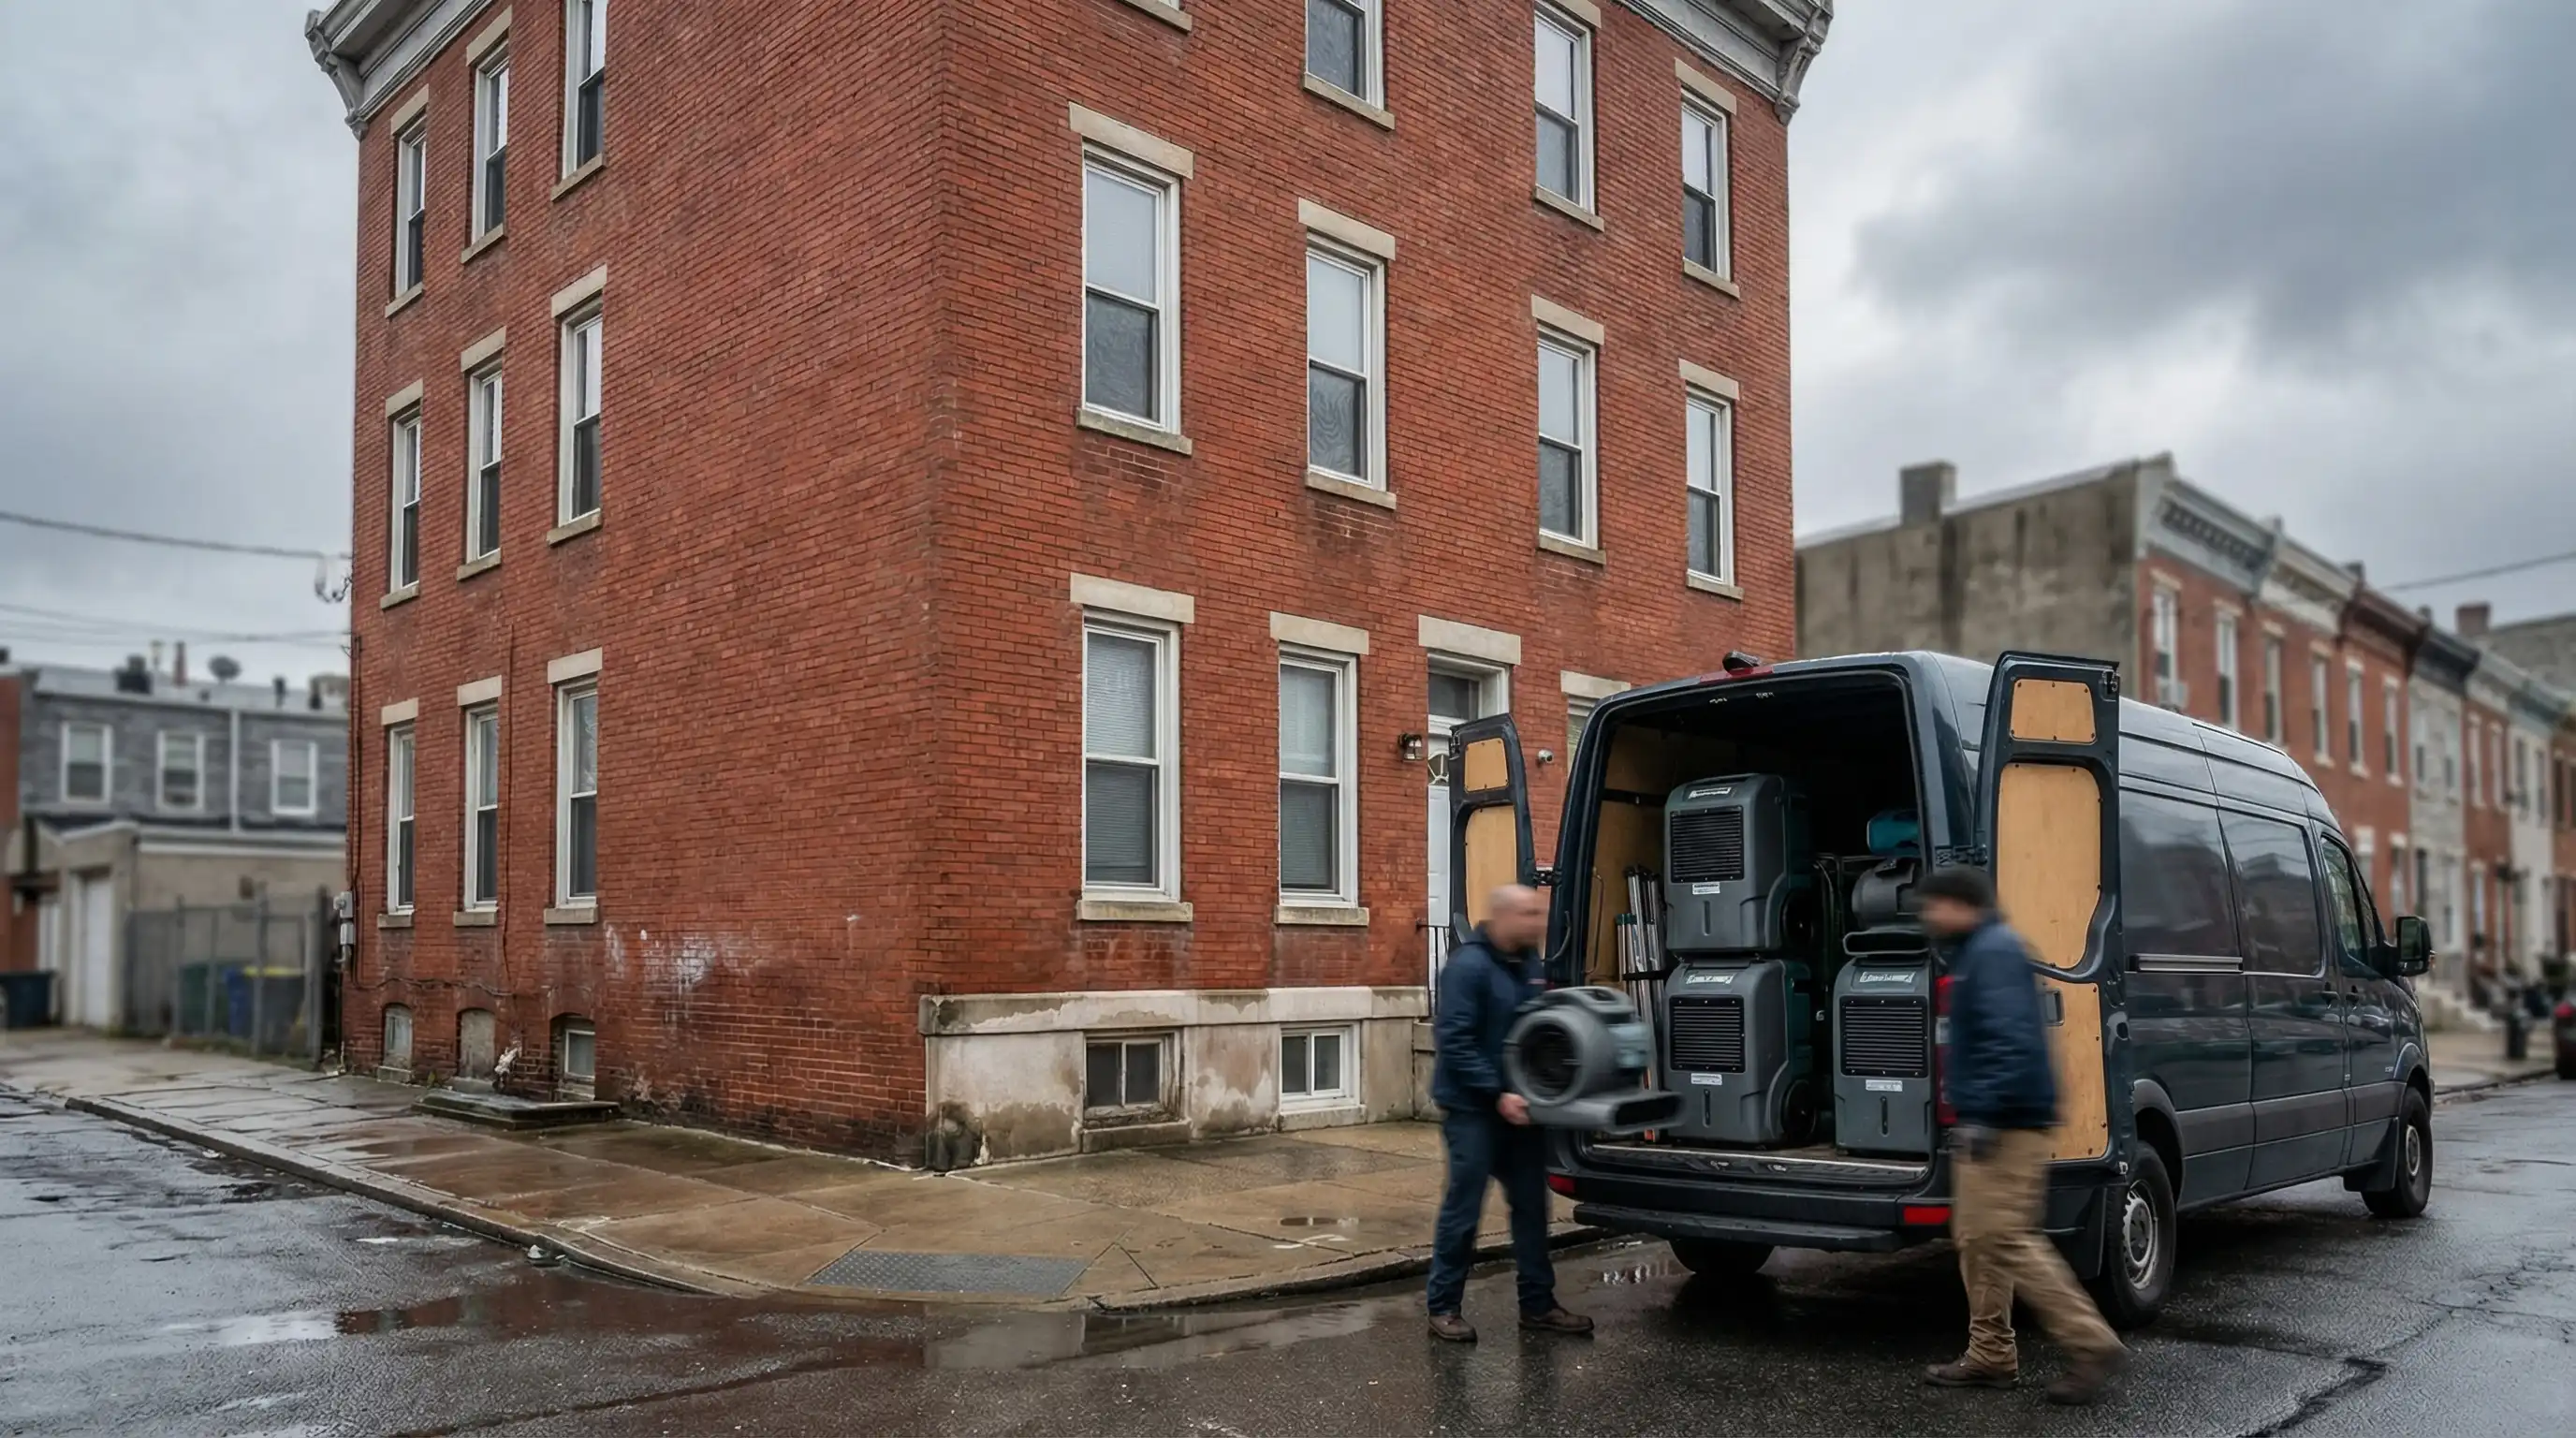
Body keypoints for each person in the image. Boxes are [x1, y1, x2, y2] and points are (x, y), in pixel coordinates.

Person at [1914, 865, 2129, 1405]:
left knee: (2006, 1239)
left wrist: (1983, 1115)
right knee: (1977, 1239)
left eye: (1934, 905)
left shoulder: (1994, 952)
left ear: (1960, 905)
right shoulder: (1978, 951)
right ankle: (1990, 1354)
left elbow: (2011, 1042)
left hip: (2006, 1124)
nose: (1927, 916)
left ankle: (2091, 1342)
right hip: (1992, 1120)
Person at [1425, 884, 1592, 1343]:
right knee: (1463, 1210)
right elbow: (1455, 1041)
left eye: (1539, 914)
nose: (1539, 922)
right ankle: (1443, 1307)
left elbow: (1540, 1028)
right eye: (1529, 914)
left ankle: (1538, 1306)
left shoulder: (1530, 964)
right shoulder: (1467, 968)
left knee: (1532, 1210)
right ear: (1502, 917)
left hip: (1520, 1109)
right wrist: (1497, 1091)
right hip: (1472, 1110)